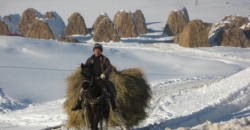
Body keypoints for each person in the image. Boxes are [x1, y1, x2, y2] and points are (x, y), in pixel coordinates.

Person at [71, 43, 117, 112]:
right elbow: (86, 67)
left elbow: (109, 67)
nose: (97, 51)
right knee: (82, 90)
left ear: (101, 51)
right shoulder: (90, 59)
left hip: (102, 79)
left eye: (98, 50)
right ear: (93, 51)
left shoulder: (105, 59)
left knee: (109, 90)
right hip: (92, 79)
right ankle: (78, 104)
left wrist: (104, 74)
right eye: (95, 50)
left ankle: (114, 106)